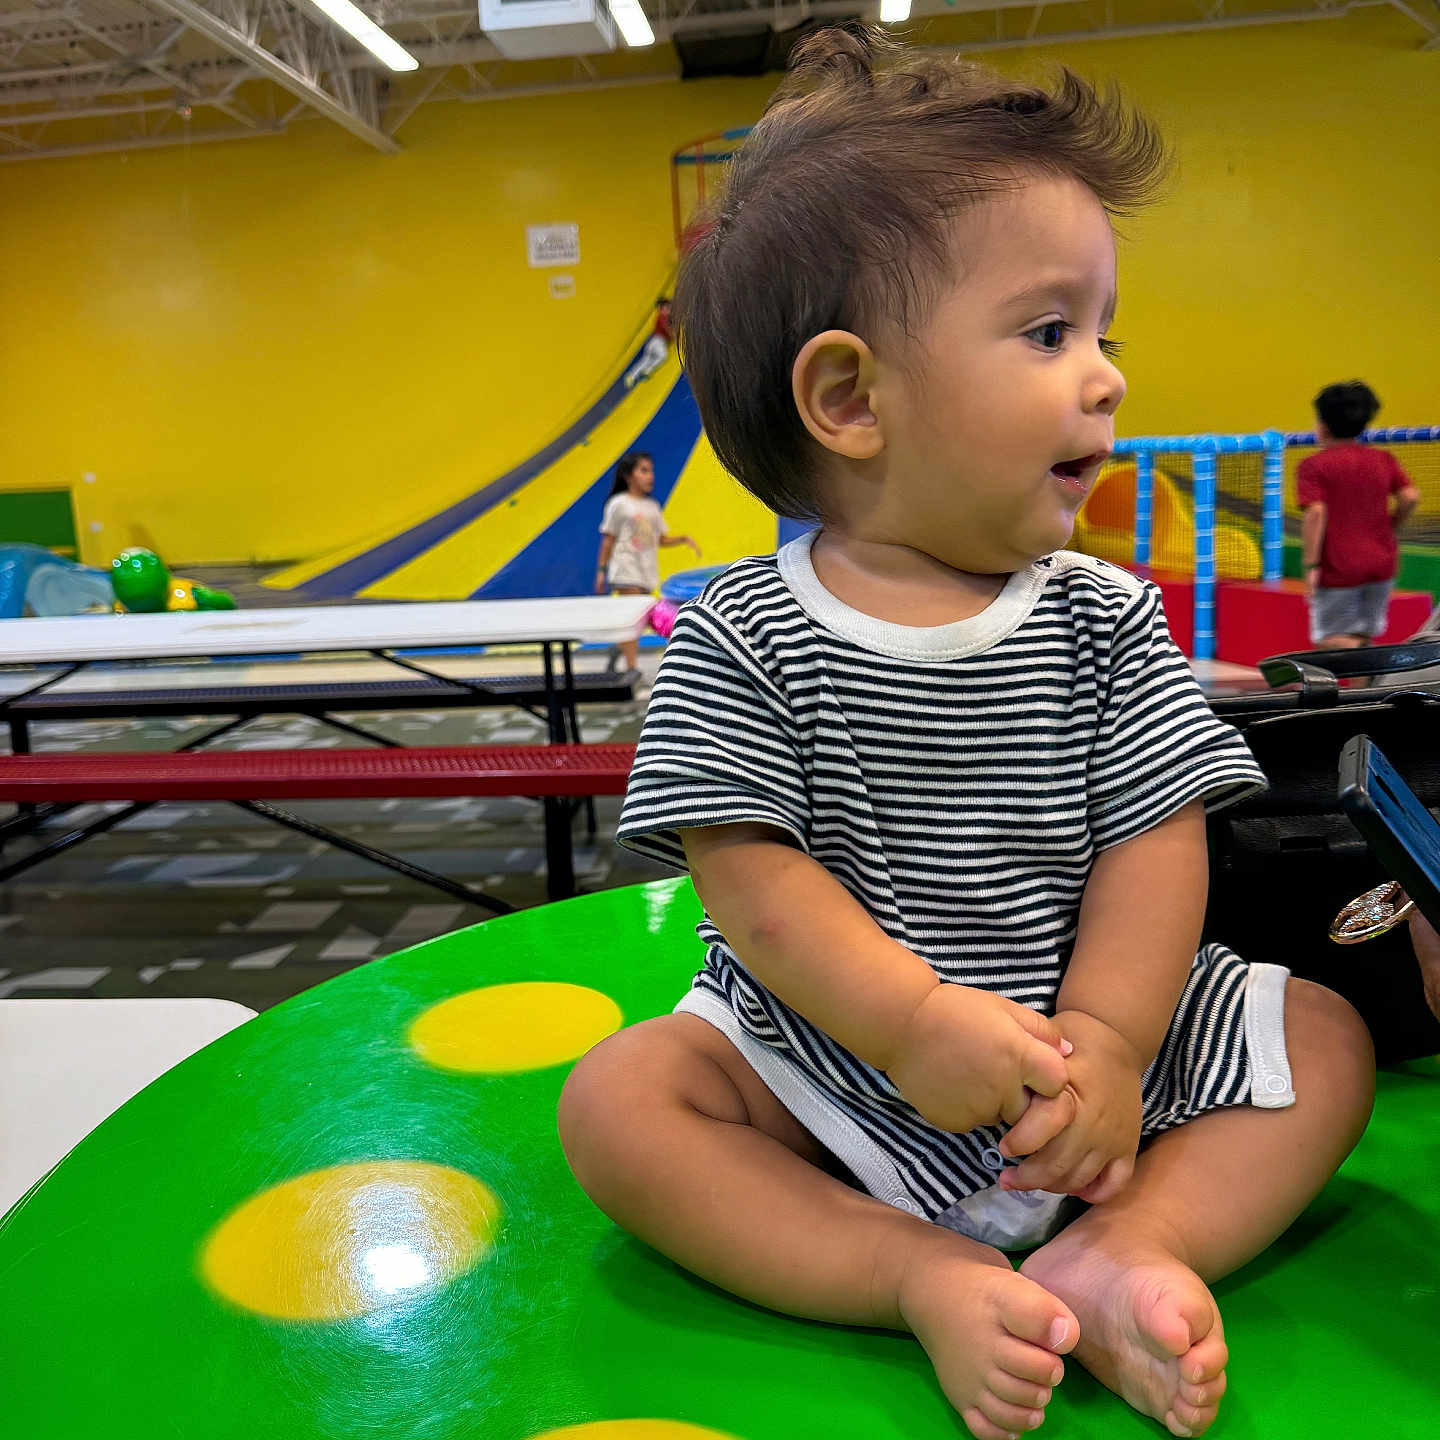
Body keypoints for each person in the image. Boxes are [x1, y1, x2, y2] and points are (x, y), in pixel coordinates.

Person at [559, 29, 1374, 1440]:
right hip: (831, 1062)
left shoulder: (1104, 618)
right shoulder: (748, 632)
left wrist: (1118, 1044)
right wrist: (908, 1020)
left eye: (1105, 332)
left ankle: (1124, 1250)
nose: (1107, 375)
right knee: (623, 1103)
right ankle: (907, 1271)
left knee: (1324, 1031)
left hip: (1087, 1072)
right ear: (851, 398)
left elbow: (1154, 844)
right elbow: (748, 875)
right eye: (1051, 331)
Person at [1297, 381, 1419, 651]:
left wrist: (1311, 565)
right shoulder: (1382, 459)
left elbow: (1316, 512)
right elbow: (1410, 496)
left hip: (1339, 568)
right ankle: (1367, 690)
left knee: (1328, 639)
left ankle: (1375, 667)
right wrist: (1393, 525)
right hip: (1382, 563)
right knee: (1363, 633)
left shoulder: (1314, 466)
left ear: (1322, 425)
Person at [595, 450, 699, 673]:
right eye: (643, 470)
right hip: (625, 571)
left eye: (650, 470)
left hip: (646, 572)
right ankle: (632, 669)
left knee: (642, 621)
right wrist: (602, 570)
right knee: (634, 621)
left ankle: (620, 649)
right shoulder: (618, 504)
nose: (650, 476)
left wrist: (682, 539)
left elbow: (659, 539)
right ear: (628, 475)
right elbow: (608, 539)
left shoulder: (652, 506)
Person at [623, 298, 672, 389]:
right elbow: (667, 328)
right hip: (658, 340)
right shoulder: (662, 316)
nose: (668, 309)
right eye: (667, 307)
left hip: (653, 342)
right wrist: (673, 335)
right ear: (661, 309)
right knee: (662, 356)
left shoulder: (662, 317)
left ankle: (631, 376)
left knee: (646, 359)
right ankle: (647, 370)